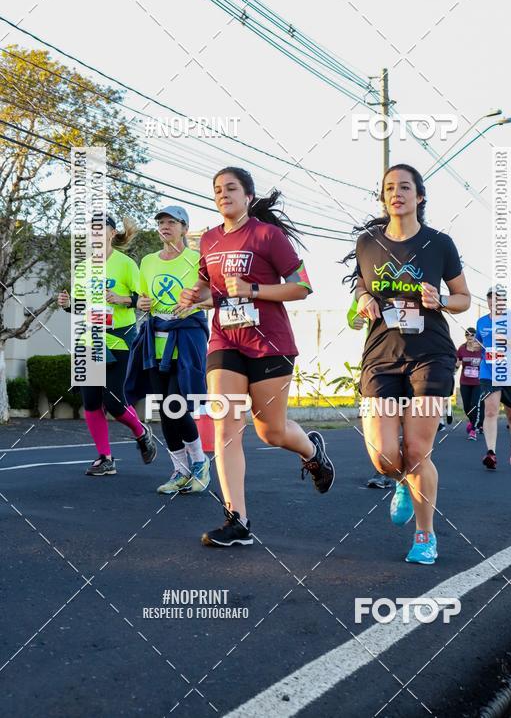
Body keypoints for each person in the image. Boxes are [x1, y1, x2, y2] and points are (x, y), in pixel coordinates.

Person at [178, 167, 334, 547]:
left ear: (248, 196)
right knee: (226, 428)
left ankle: (313, 452)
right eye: (217, 190)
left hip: (269, 344)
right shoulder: (209, 240)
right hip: (225, 343)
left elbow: (302, 287)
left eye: (231, 188)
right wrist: (193, 297)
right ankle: (238, 521)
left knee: (271, 431)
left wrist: (254, 289)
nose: (223, 194)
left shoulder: (268, 235)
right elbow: (208, 289)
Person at [345, 163, 470, 565]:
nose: (396, 193)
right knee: (383, 456)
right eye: (388, 188)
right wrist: (362, 299)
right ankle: (400, 482)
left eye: (404, 187)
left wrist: (442, 301)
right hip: (380, 356)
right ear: (382, 198)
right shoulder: (367, 243)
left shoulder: (440, 243)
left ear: (420, 196)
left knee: (417, 450)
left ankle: (425, 536)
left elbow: (463, 297)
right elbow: (362, 287)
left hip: (430, 354)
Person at [58, 215, 157, 476]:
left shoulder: (126, 264)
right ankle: (105, 458)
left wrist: (122, 298)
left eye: (101, 229)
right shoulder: (82, 268)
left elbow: (143, 300)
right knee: (90, 401)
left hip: (119, 339)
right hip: (90, 339)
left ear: (112, 233)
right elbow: (80, 307)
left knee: (113, 401)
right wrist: (68, 303)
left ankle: (141, 431)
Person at [125, 206, 211, 494]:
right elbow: (142, 297)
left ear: (184, 228)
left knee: (177, 405)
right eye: (161, 222)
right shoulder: (148, 262)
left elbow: (214, 296)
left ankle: (200, 463)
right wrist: (141, 303)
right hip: (155, 341)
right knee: (164, 409)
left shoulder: (197, 259)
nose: (165, 226)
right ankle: (180, 470)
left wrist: (194, 305)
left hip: (186, 338)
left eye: (171, 222)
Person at [476, 285, 511, 470]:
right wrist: (477, 347)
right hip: (488, 371)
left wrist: (505, 341)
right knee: (490, 411)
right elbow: (480, 342)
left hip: (510, 372)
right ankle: (491, 452)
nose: (494, 301)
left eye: (498, 298)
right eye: (490, 297)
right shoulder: (481, 322)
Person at [347, 299, 394, 489]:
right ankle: (383, 471)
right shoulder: (370, 285)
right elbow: (353, 314)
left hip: (414, 359)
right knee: (379, 420)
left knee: (407, 421)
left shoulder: (418, 280)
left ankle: (407, 470)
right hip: (379, 360)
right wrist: (355, 320)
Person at [456, 328, 483, 440]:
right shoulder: (462, 348)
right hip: (465, 382)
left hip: (478, 382)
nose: (470, 336)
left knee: (474, 405)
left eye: (472, 334)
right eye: (467, 334)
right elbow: (457, 363)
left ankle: (473, 430)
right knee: (467, 407)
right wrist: (454, 369)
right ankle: (473, 422)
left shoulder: (481, 349)